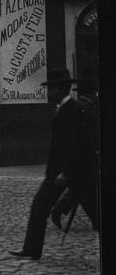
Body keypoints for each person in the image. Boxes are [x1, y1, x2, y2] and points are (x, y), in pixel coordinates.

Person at [9, 67, 99, 260]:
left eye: (51, 89)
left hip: (74, 172)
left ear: (60, 89)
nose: (48, 93)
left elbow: (78, 145)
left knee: (97, 213)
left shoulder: (76, 111)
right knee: (39, 206)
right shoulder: (63, 110)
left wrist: (65, 172)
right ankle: (32, 249)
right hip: (58, 173)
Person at [50, 78, 100, 232]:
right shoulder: (85, 109)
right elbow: (81, 139)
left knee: (84, 190)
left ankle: (97, 221)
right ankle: (99, 222)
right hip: (84, 159)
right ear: (93, 93)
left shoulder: (84, 107)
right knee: (87, 191)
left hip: (82, 159)